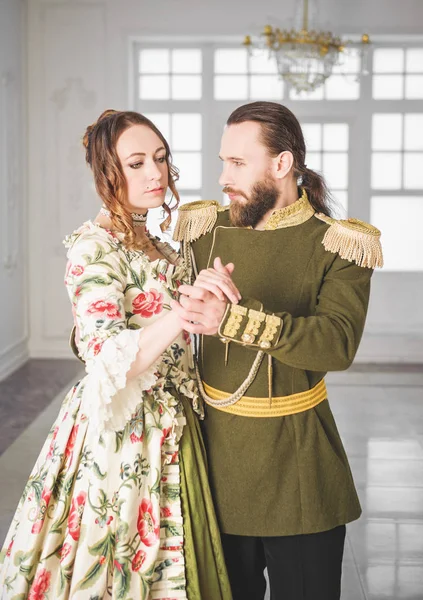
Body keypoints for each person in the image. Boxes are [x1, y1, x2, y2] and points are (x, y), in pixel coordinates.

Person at [0, 109, 233, 600]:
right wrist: (184, 310)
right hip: (124, 431)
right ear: (108, 172)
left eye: (161, 158)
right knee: (120, 563)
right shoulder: (93, 248)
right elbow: (106, 355)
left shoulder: (160, 245)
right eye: (136, 163)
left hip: (177, 419)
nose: (155, 173)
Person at [171, 101, 383, 600]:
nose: (224, 177)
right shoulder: (203, 233)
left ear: (282, 165)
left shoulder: (340, 244)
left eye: (238, 164)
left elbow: (336, 344)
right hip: (216, 469)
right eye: (223, 162)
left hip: (300, 470)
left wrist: (234, 319)